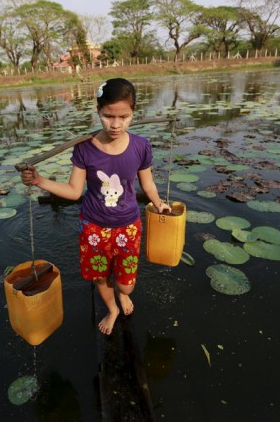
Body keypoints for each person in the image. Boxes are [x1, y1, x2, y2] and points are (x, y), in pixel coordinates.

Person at [20, 78, 170, 335]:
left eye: (123, 116)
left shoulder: (140, 146)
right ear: (98, 110)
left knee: (127, 286)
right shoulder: (85, 149)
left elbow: (148, 184)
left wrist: (158, 203)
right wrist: (39, 180)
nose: (115, 124)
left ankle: (122, 295)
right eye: (108, 116)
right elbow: (74, 191)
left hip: (128, 227)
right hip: (93, 227)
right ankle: (112, 308)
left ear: (134, 112)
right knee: (100, 277)